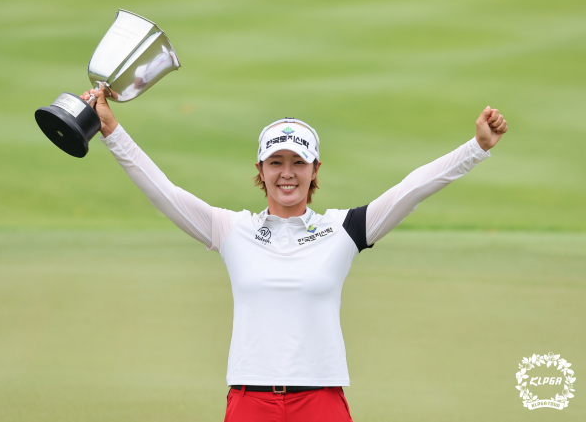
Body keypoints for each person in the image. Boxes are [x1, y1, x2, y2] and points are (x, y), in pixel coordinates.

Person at [80, 87, 508, 422]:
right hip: (249, 401)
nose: (287, 173)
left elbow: (412, 189)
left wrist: (477, 147)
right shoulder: (231, 229)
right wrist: (111, 130)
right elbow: (163, 192)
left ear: (315, 169)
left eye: (298, 162)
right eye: (276, 162)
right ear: (260, 170)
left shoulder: (344, 229)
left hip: (321, 399)